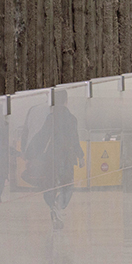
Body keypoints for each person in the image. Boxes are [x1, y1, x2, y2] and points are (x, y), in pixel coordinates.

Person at [26, 89, 84, 229]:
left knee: (49, 186)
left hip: (52, 157)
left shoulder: (51, 118)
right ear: (66, 101)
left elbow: (42, 137)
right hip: (67, 158)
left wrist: (30, 154)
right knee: (67, 185)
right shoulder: (72, 119)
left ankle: (53, 205)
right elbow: (75, 139)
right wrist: (80, 156)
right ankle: (59, 205)